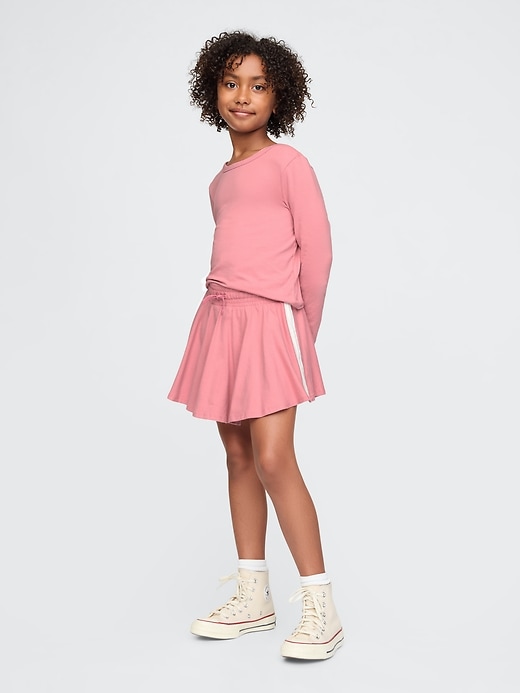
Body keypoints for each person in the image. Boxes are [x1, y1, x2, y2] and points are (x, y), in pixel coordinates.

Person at [168, 30, 343, 660]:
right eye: (231, 82)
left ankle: (320, 606)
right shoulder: (221, 180)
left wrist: (301, 335)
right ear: (213, 90)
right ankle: (253, 594)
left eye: (258, 85)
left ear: (278, 96)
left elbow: (317, 256)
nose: (242, 96)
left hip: (273, 321)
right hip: (222, 318)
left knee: (274, 456)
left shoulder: (288, 164)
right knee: (238, 454)